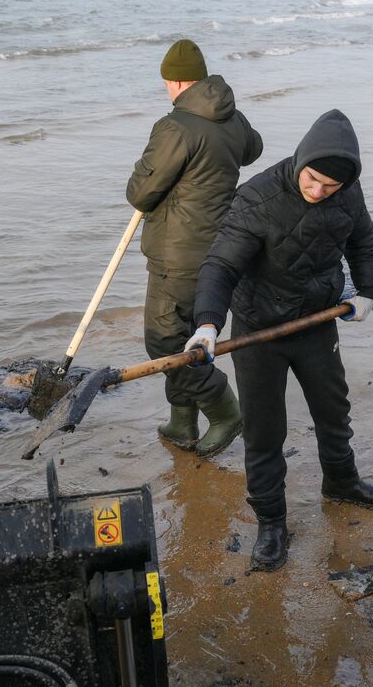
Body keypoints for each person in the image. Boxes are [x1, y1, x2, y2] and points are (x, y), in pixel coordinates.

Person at [189, 110, 373, 572]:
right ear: (300, 161)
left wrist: (369, 291)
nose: (318, 192)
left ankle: (341, 481)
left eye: (329, 187)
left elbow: (363, 240)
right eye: (312, 179)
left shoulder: (348, 193)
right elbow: (220, 266)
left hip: (317, 322)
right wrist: (207, 324)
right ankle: (272, 521)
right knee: (264, 428)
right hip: (260, 329)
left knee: (333, 409)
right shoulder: (257, 197)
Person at [125, 39, 263, 457]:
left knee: (165, 340)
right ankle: (182, 421)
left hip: (177, 253)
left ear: (177, 80)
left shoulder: (176, 126)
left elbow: (140, 192)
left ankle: (225, 411)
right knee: (188, 332)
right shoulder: (232, 117)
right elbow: (252, 149)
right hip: (222, 248)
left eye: (167, 82)